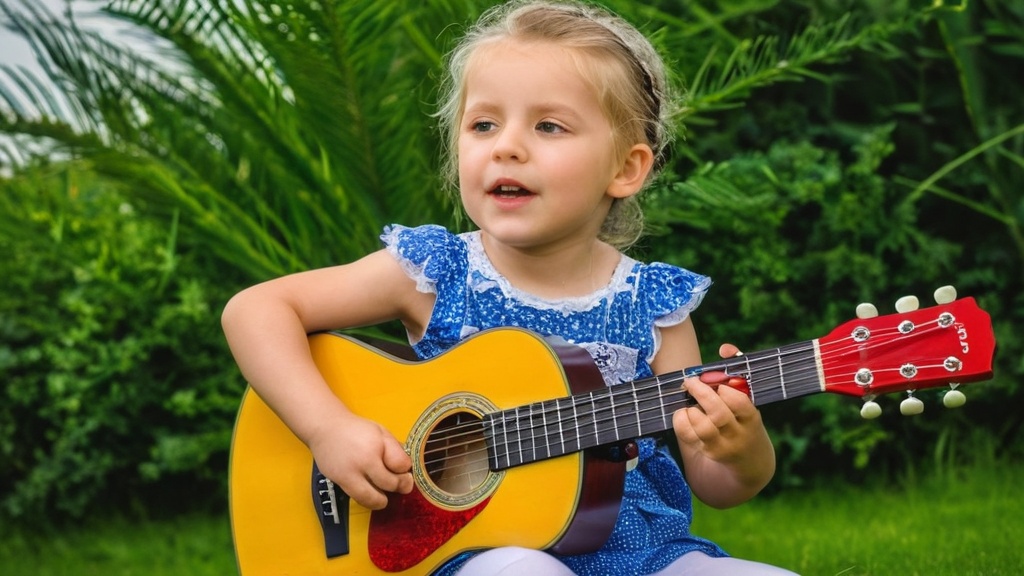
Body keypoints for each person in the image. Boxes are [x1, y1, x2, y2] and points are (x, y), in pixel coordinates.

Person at [221, 1, 797, 574]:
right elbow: (256, 310)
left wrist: (739, 448)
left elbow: (717, 484)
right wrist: (329, 429)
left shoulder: (652, 306)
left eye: (548, 126)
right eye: (483, 124)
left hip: (636, 550)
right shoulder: (436, 271)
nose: (506, 146)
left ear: (626, 168)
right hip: (468, 553)